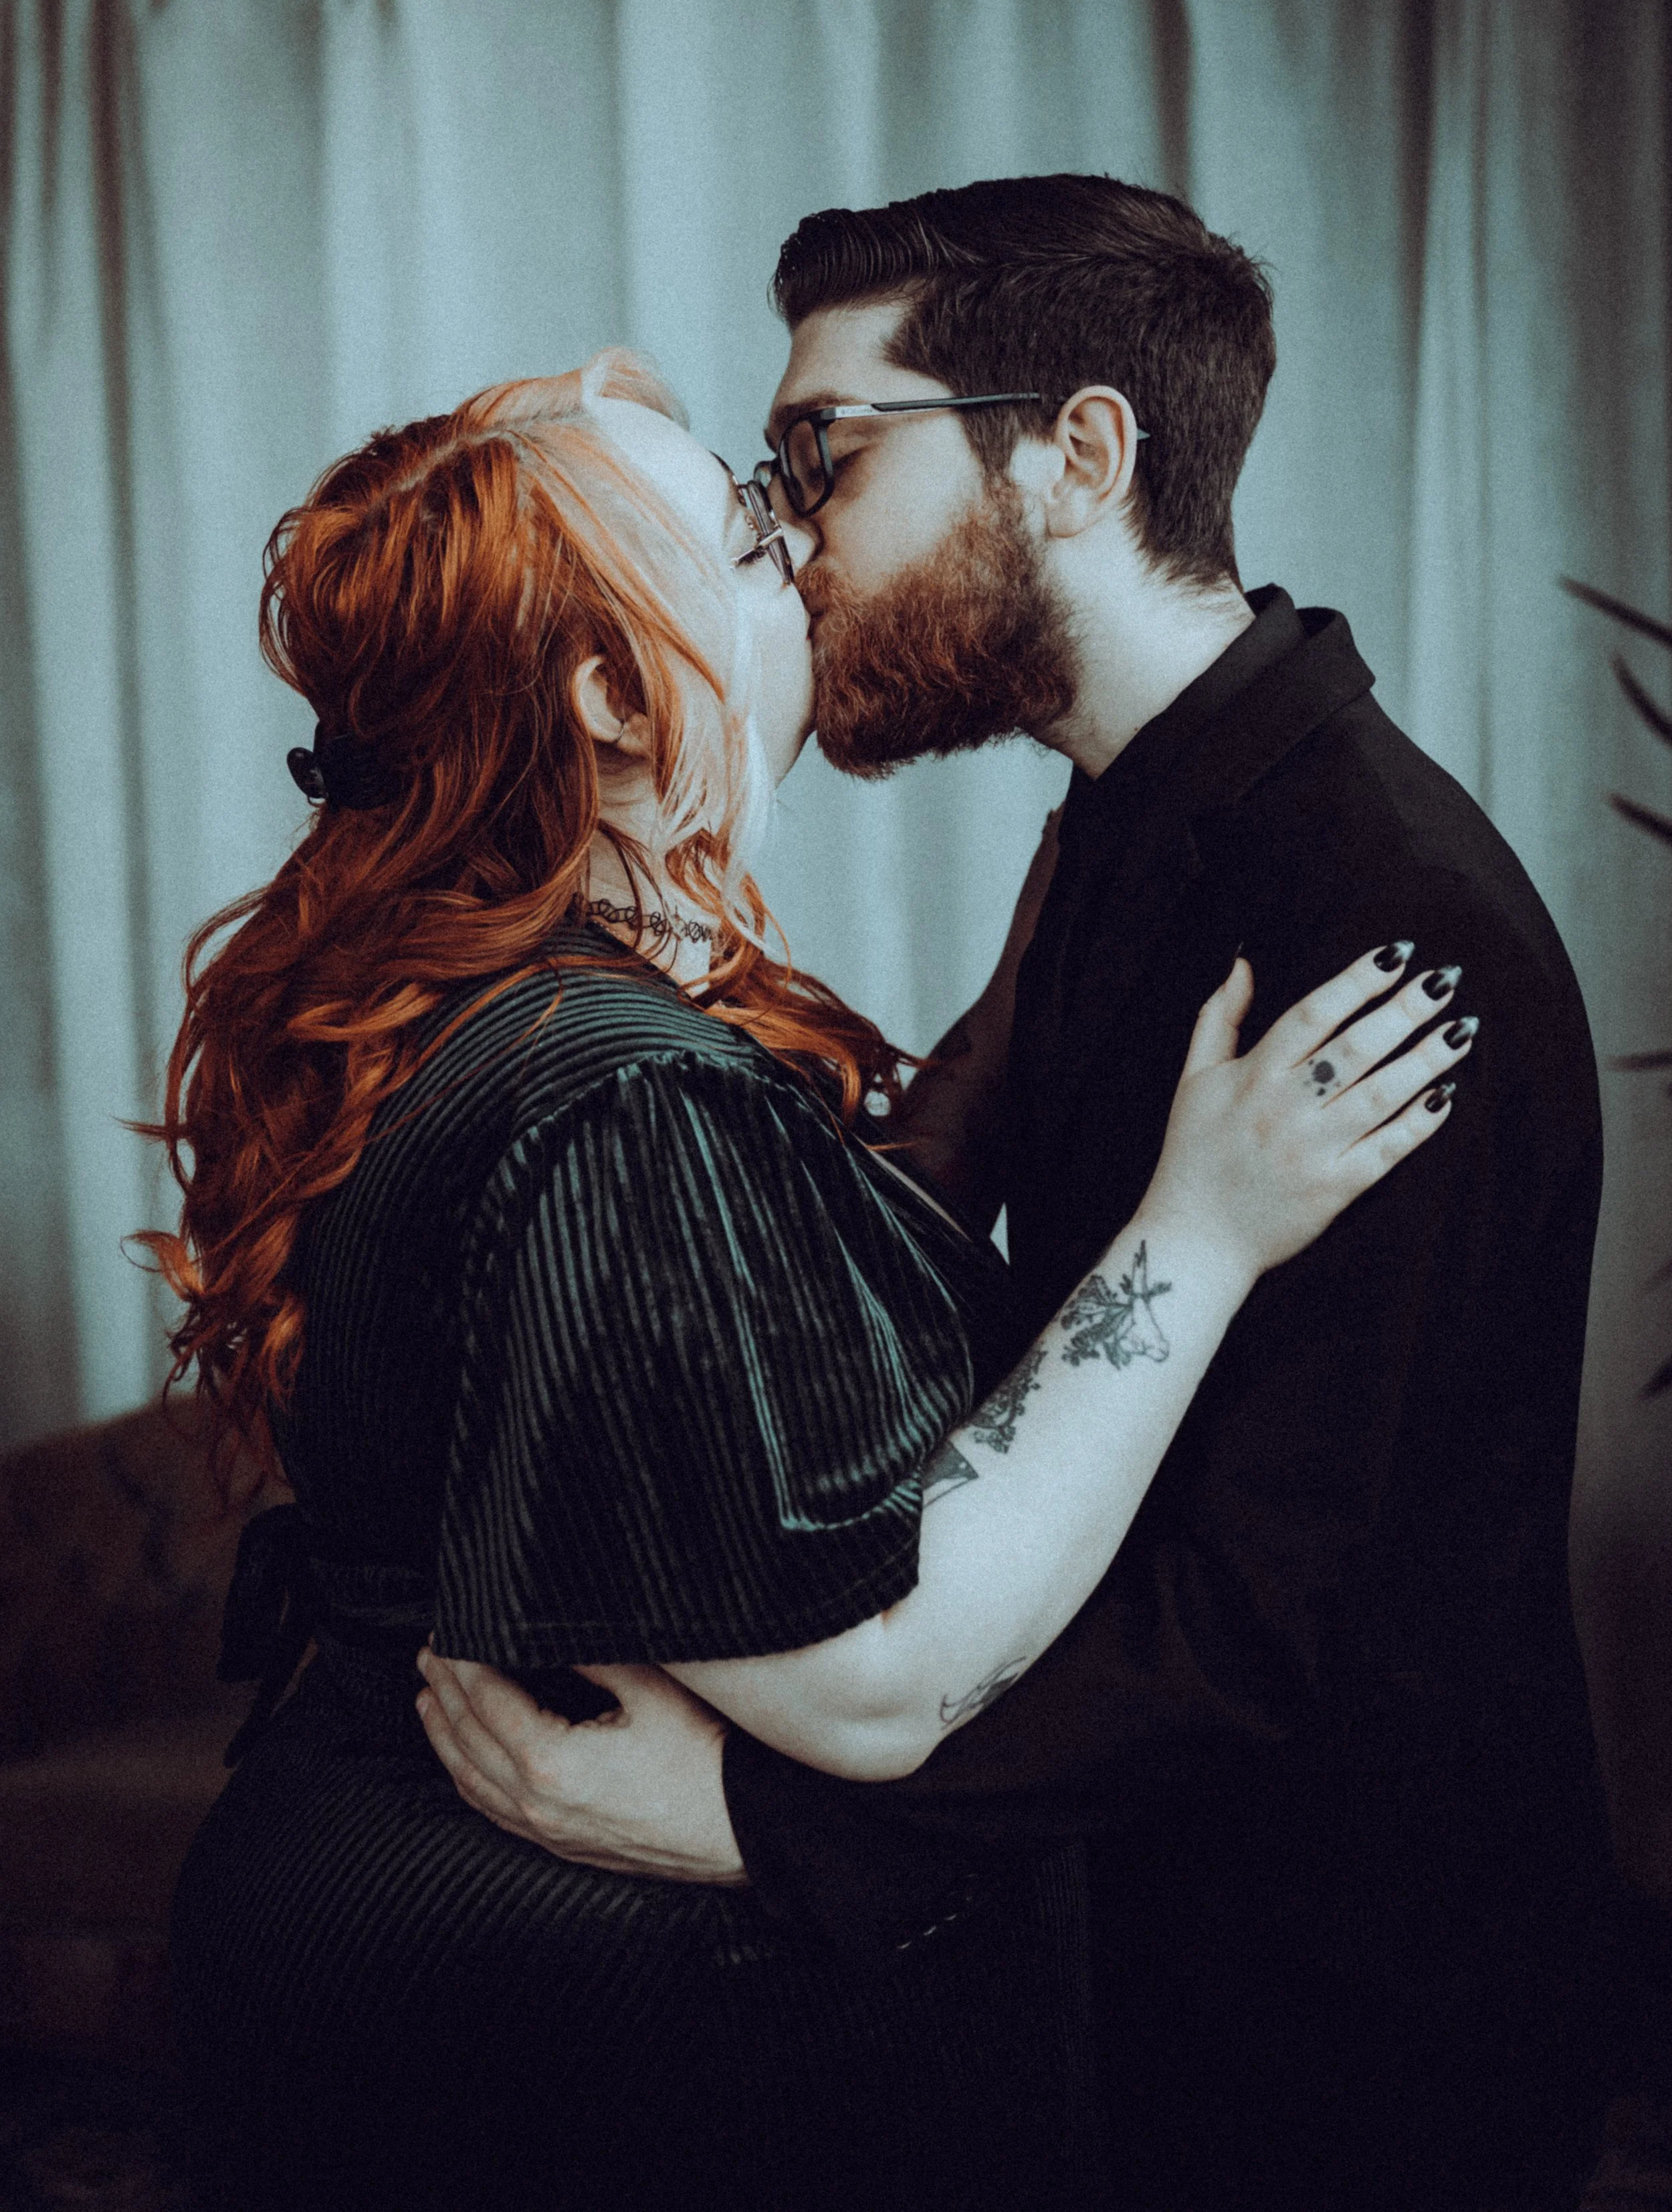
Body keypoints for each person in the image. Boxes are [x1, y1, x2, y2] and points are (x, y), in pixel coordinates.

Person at [415, 177, 1622, 2212]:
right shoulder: (1127, 817)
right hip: (1138, 1961)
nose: (787, 534)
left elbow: (1253, 1627)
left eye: (826, 455)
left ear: (1073, 454)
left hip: (1351, 2013)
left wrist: (754, 1819)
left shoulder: (1376, 915)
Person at [150, 347, 1457, 2212]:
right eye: (751, 538)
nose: (807, 557)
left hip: (349, 1899)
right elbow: (881, 1681)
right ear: (610, 693)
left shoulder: (435, 980)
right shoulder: (618, 1099)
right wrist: (1207, 1219)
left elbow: (743, 1333)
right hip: (540, 2010)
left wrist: (1023, 999)